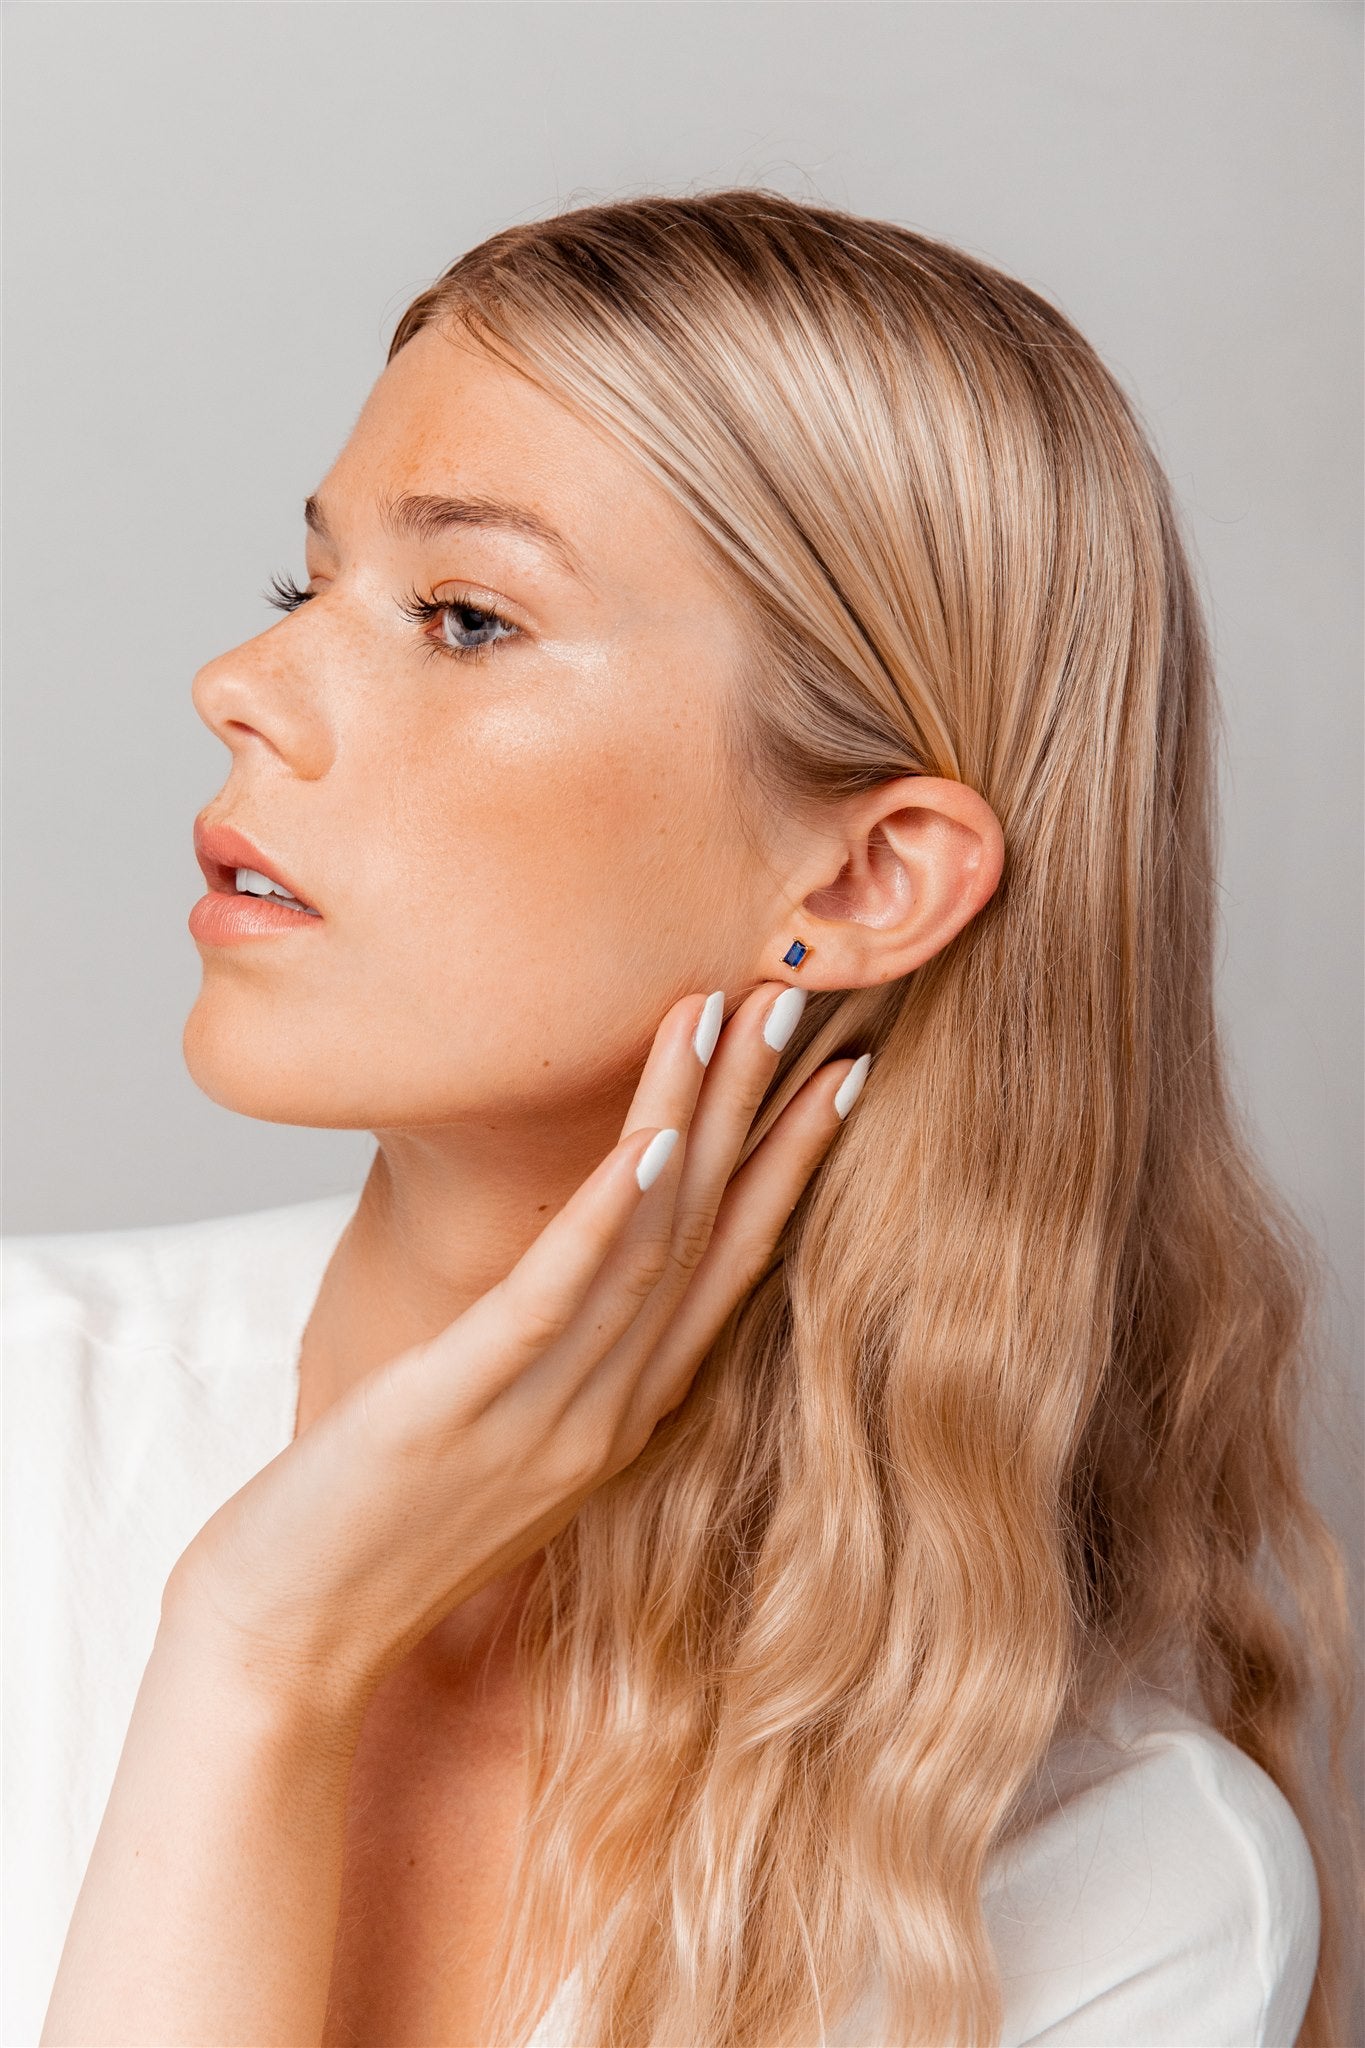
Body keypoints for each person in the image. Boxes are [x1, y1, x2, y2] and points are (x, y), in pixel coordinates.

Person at [4, 189, 1356, 2048]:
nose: (239, 688)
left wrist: (269, 1658)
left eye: (465, 619)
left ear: (867, 877)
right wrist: (251, 1640)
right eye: (301, 587)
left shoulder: (1107, 1892)